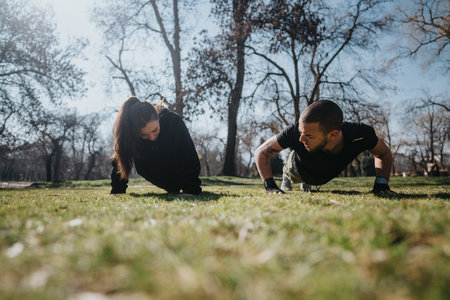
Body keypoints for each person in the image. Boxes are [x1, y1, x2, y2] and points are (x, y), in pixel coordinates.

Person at [254, 100, 398, 196]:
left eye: (308, 136)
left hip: (321, 172)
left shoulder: (360, 135)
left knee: (312, 178)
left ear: (333, 134)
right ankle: (287, 176)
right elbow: (260, 153)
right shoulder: (294, 133)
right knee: (291, 166)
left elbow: (383, 153)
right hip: (297, 168)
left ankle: (308, 182)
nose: (301, 138)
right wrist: (270, 186)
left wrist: (381, 185)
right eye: (300, 132)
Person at [110, 96, 202, 195]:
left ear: (158, 117)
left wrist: (190, 189)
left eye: (154, 130)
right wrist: (117, 191)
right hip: (158, 175)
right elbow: (120, 161)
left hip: (177, 169)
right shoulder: (131, 135)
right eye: (144, 135)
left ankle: (188, 185)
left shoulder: (173, 122)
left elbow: (188, 155)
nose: (151, 137)